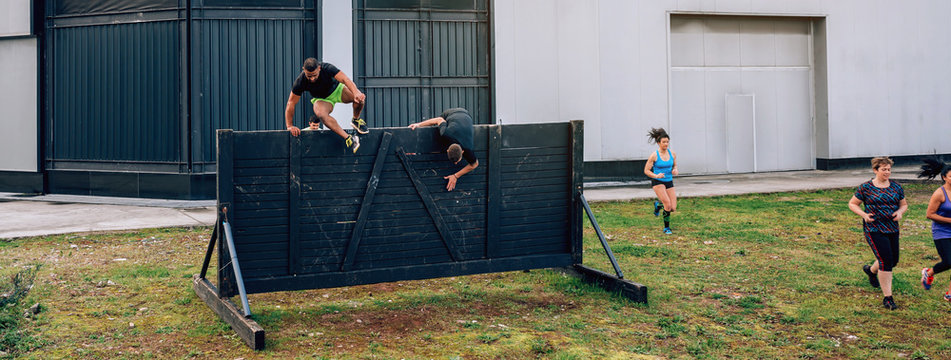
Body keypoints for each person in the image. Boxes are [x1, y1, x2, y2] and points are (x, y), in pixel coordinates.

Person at [848, 157, 908, 310]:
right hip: (874, 227)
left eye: (888, 169)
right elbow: (852, 204)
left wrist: (900, 212)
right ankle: (888, 298)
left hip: (892, 227)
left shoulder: (896, 187)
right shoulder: (866, 187)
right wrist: (864, 215)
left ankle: (870, 270)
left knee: (893, 260)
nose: (887, 172)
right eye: (883, 169)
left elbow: (904, 204)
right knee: (886, 261)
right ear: (875, 170)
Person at [284, 58, 368, 153]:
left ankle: (356, 120)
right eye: (309, 76)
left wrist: (356, 92)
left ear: (319, 68)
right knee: (321, 115)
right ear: (304, 69)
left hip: (338, 90)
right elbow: (291, 103)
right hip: (322, 100)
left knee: (359, 98)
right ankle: (349, 139)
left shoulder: (327, 68)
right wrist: (289, 126)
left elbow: (345, 79)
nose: (312, 79)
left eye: (314, 75)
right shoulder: (301, 81)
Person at [408, 108, 479, 191]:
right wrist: (418, 125)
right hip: (449, 114)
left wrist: (456, 175)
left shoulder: (467, 147)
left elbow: (475, 164)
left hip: (465, 113)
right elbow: (440, 119)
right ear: (447, 150)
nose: (456, 164)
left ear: (463, 151)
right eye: (457, 161)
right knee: (437, 132)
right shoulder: (446, 134)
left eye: (457, 161)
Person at [917, 159, 951, 301]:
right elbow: (930, 214)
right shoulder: (939, 193)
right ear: (944, 177)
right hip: (942, 232)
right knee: (949, 261)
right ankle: (928, 273)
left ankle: (949, 294)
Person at [643, 128, 678, 235]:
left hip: (669, 181)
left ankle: (658, 205)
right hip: (658, 181)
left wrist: (675, 169)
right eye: (663, 142)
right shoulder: (654, 155)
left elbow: (674, 164)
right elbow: (646, 171)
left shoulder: (672, 153)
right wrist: (656, 175)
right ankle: (666, 228)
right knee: (667, 204)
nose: (666, 144)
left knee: (672, 208)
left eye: (667, 142)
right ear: (658, 143)